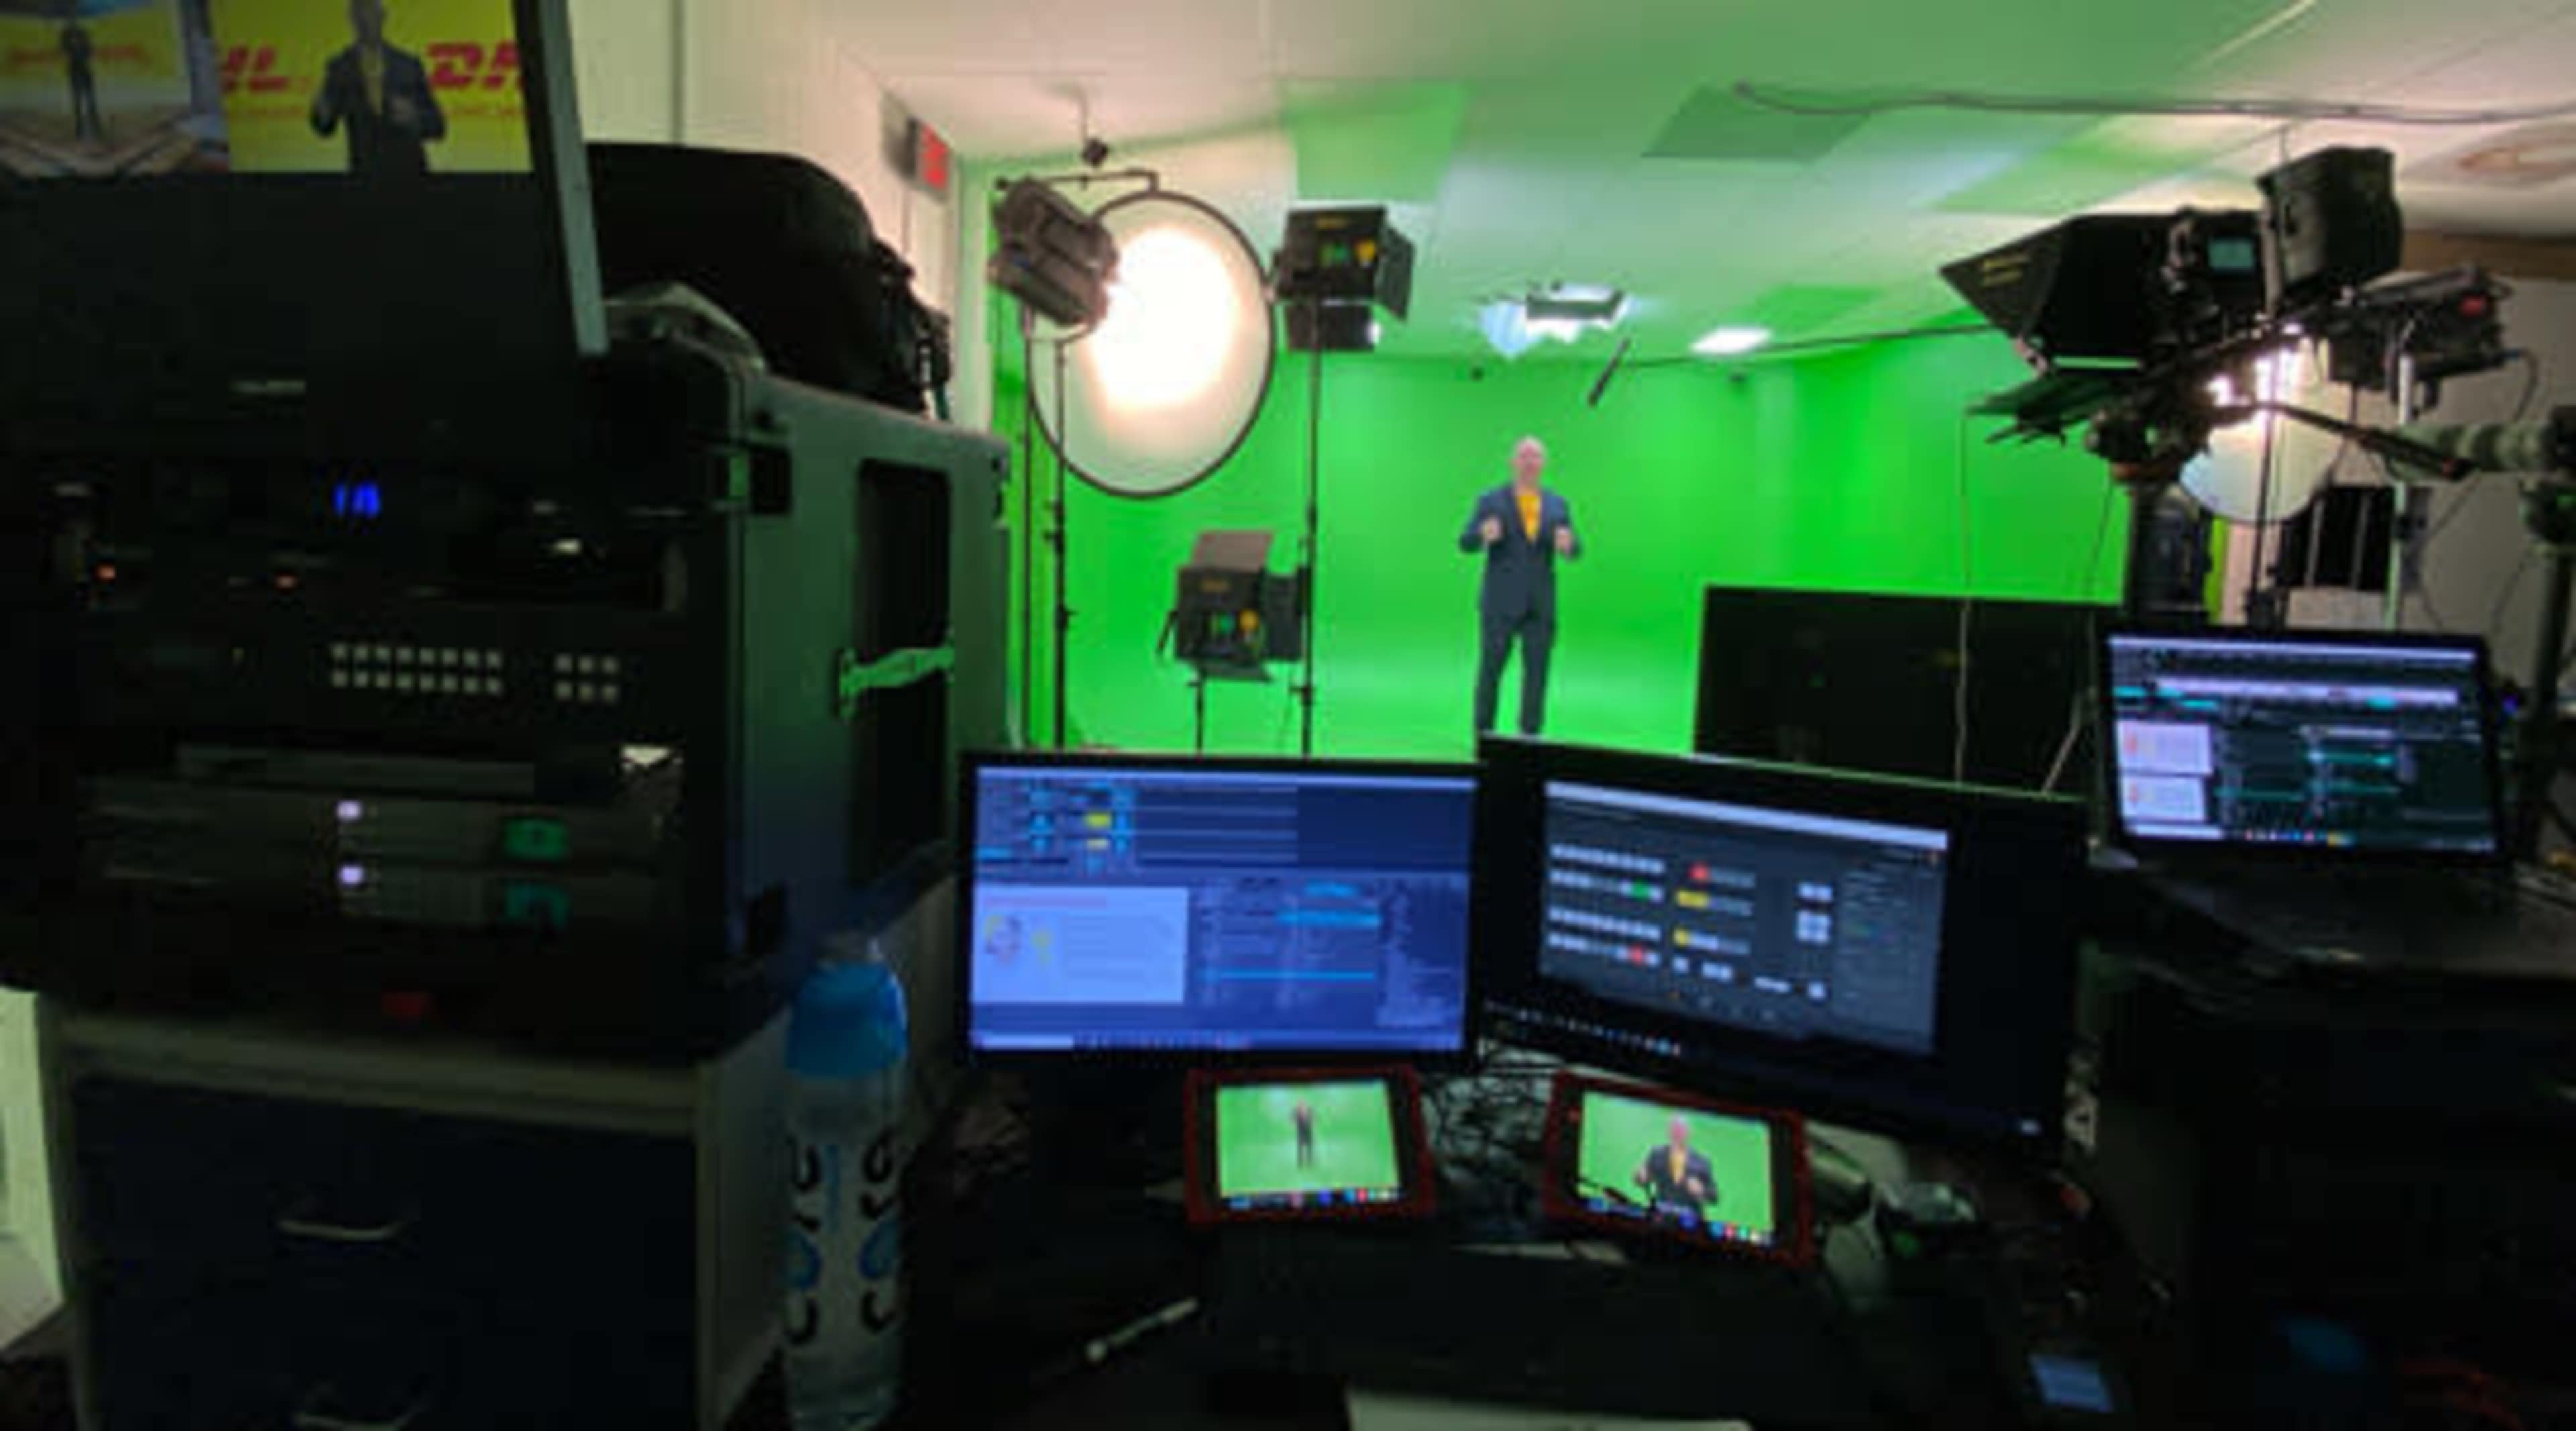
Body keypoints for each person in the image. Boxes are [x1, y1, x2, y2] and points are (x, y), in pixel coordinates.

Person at [1458, 436, 1580, 737]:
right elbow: (1465, 541)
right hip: (1500, 603)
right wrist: (1482, 535)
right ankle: (1484, 736)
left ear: (1543, 464)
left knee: (1537, 675)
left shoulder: (1558, 504)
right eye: (1524, 456)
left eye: (1536, 456)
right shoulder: (1490, 500)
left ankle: (1530, 739)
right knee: (1490, 672)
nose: (1530, 462)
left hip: (1540, 605)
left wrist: (1570, 547)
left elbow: (1575, 547)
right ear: (1513, 462)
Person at [309, 0, 447, 176]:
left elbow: (438, 126)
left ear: (383, 17)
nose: (366, 20)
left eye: (371, 12)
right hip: (365, 175)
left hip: (410, 175)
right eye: (360, 14)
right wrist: (322, 113)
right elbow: (325, 127)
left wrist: (415, 118)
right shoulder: (340, 68)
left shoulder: (408, 65)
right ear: (352, 19)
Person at [1633, 1115, 1716, 1219]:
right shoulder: (1656, 1154)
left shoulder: (1702, 1161)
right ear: (1669, 1132)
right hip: (1662, 1217)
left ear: (1688, 1133)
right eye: (1674, 1129)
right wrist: (1640, 1176)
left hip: (1690, 1220)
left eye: (1681, 1130)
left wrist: (1701, 1191)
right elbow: (1642, 1180)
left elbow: (1714, 1197)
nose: (1677, 1134)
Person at [62, 23, 103, 143]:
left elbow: (90, 51)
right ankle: (80, 129)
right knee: (78, 101)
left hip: (85, 71)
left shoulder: (83, 35)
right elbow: (64, 51)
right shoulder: (66, 35)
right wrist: (72, 49)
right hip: (75, 72)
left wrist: (84, 50)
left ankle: (95, 127)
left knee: (91, 100)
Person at [1292, 1098, 1316, 1169]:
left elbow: (1314, 1118)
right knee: (1300, 1149)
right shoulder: (1296, 1112)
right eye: (1300, 1105)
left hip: (1309, 1132)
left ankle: (1310, 1162)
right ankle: (1300, 1164)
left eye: (1303, 1104)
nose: (1302, 1106)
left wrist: (1313, 1122)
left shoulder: (1310, 1110)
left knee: (1309, 1148)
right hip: (1300, 1132)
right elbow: (1291, 1119)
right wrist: (1294, 1122)